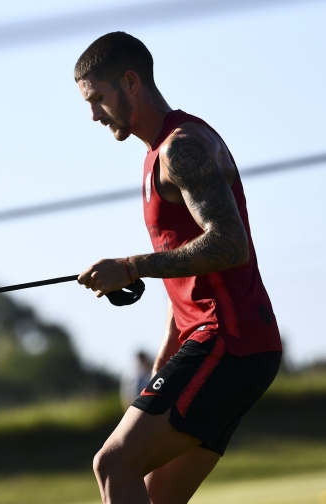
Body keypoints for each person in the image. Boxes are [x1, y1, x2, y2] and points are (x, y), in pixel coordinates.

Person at [73, 32, 282, 503]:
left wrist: (131, 267)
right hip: (234, 345)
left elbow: (230, 245)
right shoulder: (157, 154)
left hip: (229, 341)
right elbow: (187, 278)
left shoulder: (181, 147)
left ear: (131, 83)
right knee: (153, 495)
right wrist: (164, 364)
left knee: (113, 464)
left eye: (97, 99)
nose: (94, 115)